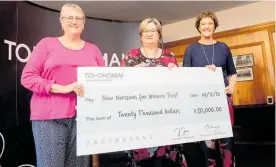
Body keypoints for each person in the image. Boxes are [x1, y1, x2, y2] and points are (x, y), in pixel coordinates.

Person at [20, 3, 105, 167]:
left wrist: (134, 74)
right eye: (69, 17)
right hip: (49, 117)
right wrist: (63, 88)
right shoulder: (47, 44)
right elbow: (27, 77)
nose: (74, 21)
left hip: (83, 118)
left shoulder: (93, 49)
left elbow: (105, 80)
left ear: (84, 22)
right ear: (61, 22)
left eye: (79, 18)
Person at [120, 17, 188, 167]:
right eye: (145, 31)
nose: (149, 34)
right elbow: (120, 86)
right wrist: (130, 74)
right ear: (141, 35)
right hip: (140, 119)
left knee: (165, 161)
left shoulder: (169, 56)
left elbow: (179, 87)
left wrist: (177, 74)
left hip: (166, 118)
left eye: (153, 30)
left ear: (159, 35)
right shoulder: (131, 56)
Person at [182, 10, 237, 167]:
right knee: (207, 145)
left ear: (215, 26)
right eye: (203, 24)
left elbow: (233, 73)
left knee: (227, 144)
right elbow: (185, 77)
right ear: (198, 27)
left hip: (223, 102)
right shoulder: (191, 49)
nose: (206, 27)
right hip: (202, 104)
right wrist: (202, 74)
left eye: (210, 24)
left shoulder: (223, 47)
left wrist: (231, 87)